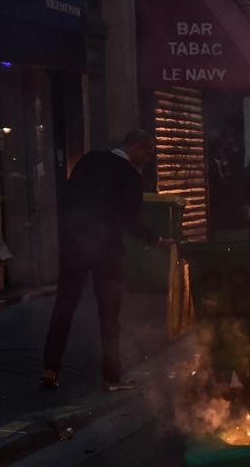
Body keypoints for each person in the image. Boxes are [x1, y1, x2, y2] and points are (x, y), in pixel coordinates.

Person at [41, 130, 173, 391]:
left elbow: (66, 200)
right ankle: (112, 378)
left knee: (64, 306)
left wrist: (67, 236)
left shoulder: (88, 160)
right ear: (136, 147)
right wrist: (157, 240)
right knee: (109, 315)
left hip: (74, 245)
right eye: (148, 153)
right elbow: (130, 221)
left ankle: (50, 369)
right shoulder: (131, 176)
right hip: (107, 251)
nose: (148, 159)